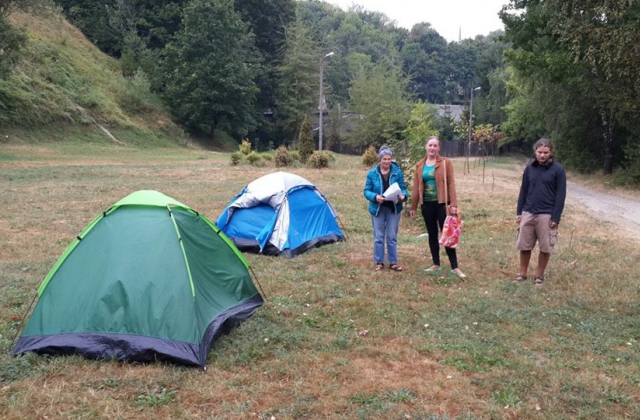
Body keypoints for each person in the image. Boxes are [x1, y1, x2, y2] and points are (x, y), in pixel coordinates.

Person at [409, 136, 466, 279]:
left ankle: (455, 266)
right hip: (427, 205)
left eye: (435, 146)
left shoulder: (445, 163)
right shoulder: (419, 165)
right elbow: (416, 188)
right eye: (430, 145)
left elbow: (451, 184)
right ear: (426, 147)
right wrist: (413, 207)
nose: (432, 148)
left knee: (448, 234)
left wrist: (453, 205)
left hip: (442, 205)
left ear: (439, 148)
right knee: (432, 234)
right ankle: (436, 264)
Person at [514, 138, 566, 286]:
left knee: (545, 246)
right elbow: (523, 191)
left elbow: (560, 195)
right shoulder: (529, 168)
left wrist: (555, 217)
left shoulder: (558, 170)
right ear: (535, 152)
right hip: (529, 212)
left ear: (551, 152)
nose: (542, 155)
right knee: (524, 245)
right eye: (539, 152)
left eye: (545, 152)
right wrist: (520, 212)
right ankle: (522, 274)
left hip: (547, 214)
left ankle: (539, 275)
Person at [363, 146, 407, 272]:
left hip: (393, 207)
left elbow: (403, 188)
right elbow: (366, 191)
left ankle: (393, 262)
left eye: (389, 159)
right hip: (377, 208)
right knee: (379, 236)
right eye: (384, 159)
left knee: (392, 236)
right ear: (380, 159)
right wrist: (375, 197)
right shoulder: (372, 173)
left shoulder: (397, 172)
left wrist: (403, 196)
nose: (387, 161)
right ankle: (379, 261)